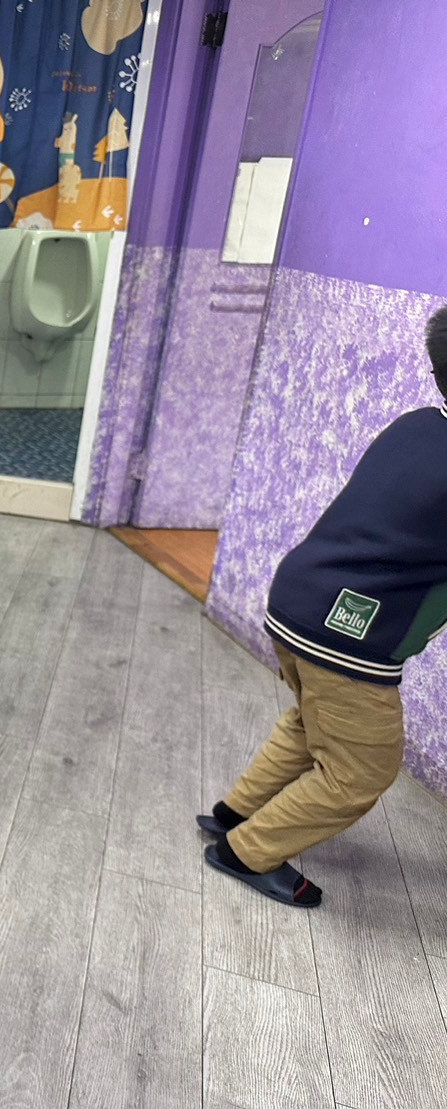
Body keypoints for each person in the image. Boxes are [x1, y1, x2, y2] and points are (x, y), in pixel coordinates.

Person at [198, 305, 447, 908]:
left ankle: (236, 812)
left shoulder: (418, 424)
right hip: (349, 630)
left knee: (314, 722)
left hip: (298, 597)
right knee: (362, 770)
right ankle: (246, 851)